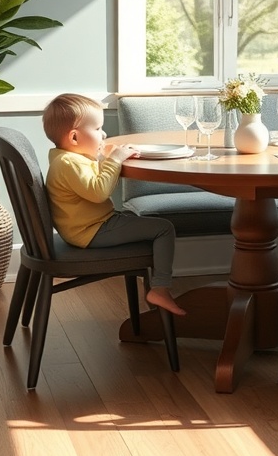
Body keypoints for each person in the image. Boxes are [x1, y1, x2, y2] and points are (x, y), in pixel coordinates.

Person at [42, 93, 185, 316]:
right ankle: (160, 289)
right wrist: (115, 160)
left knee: (147, 224)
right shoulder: (70, 163)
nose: (104, 133)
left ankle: (154, 302)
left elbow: (89, 182)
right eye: (98, 129)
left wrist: (107, 158)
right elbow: (99, 192)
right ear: (74, 138)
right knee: (164, 228)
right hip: (93, 231)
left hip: (85, 228)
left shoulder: (66, 158)